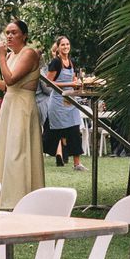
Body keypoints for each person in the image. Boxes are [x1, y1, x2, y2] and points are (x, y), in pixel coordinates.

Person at [0, 16, 45, 208]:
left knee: (18, 151)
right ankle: (3, 197)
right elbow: (6, 85)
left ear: (24, 35)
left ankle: (19, 198)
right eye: (7, 33)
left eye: (14, 33)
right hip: (10, 104)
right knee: (6, 149)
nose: (10, 36)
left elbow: (12, 80)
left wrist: (1, 57)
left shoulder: (29, 54)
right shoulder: (12, 55)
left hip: (22, 106)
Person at [41, 35, 85, 170]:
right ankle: (34, 158)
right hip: (58, 103)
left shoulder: (71, 62)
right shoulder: (55, 62)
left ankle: (77, 164)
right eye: (63, 45)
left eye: (67, 44)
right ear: (58, 47)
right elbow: (48, 83)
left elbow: (73, 79)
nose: (66, 47)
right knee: (51, 135)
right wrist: (70, 83)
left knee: (75, 131)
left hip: (70, 102)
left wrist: (76, 85)